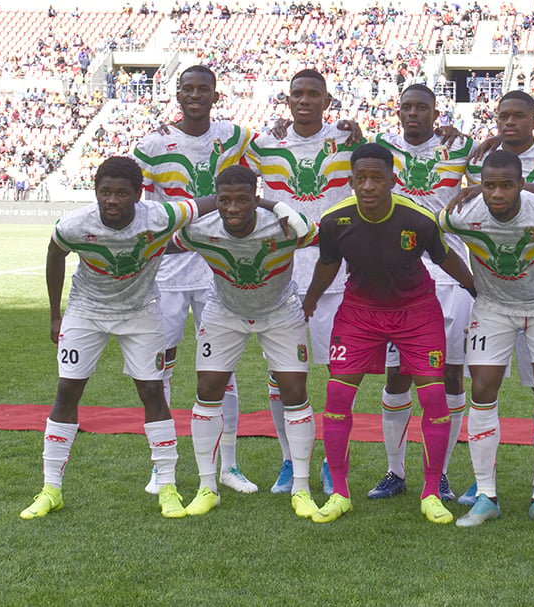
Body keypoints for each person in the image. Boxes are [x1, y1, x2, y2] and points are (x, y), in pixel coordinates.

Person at [20, 156, 215, 520]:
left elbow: (213, 200)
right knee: (67, 390)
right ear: (95, 192)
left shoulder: (159, 216)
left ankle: (168, 486)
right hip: (86, 311)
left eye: (121, 193)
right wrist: (55, 314)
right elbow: (54, 253)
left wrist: (271, 203)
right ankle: (51, 489)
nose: (112, 200)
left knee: (152, 391)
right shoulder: (75, 224)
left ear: (138, 195)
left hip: (140, 312)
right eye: (104, 192)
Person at [302, 143, 476, 524]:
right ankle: (340, 493)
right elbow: (328, 264)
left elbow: (445, 258)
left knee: (433, 397)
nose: (368, 186)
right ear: (350, 181)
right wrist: (311, 299)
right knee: (335, 394)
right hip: (360, 314)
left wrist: (476, 288)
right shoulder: (334, 221)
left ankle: (432, 492)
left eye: (376, 178)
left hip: (416, 314)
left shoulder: (418, 219)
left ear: (392, 181)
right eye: (360, 178)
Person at [439, 149, 534, 529]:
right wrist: (467, 281)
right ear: (480, 185)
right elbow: (431, 239)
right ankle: (486, 495)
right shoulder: (461, 214)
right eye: (489, 185)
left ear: (522, 185)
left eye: (507, 185)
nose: (497, 194)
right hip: (492, 306)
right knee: (483, 389)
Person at [133, 65, 258, 495]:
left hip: (218, 268)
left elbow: (281, 151)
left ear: (215, 94)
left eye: (203, 89)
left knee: (223, 371)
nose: (195, 95)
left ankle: (229, 465)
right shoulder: (150, 146)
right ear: (177, 94)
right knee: (159, 367)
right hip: (167, 270)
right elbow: (141, 207)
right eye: (188, 88)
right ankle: (161, 466)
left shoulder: (236, 136)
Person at [169, 165, 320, 518]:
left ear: (257, 198)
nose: (233, 208)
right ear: (215, 200)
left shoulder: (284, 226)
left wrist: (280, 208)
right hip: (224, 311)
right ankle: (208, 486)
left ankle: (301, 488)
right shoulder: (199, 229)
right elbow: (159, 245)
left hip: (281, 310)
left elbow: (324, 239)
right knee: (207, 390)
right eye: (224, 200)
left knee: (295, 392)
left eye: (242, 200)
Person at [247, 68, 364, 496]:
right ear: (287, 99)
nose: (305, 100)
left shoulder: (347, 140)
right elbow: (235, 182)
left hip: (336, 271)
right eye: (298, 93)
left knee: (338, 373)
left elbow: (380, 166)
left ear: (327, 100)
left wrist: (362, 130)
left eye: (314, 94)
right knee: (283, 377)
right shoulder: (264, 144)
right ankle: (289, 460)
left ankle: (334, 464)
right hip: (280, 274)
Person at [366, 84, 475, 502]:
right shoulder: (381, 147)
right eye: (407, 107)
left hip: (449, 272)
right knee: (399, 374)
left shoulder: (460, 147)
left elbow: (499, 161)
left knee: (449, 372)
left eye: (422, 108)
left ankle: (440, 473)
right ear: (398, 112)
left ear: (435, 112)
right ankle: (395, 471)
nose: (414, 114)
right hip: (395, 273)